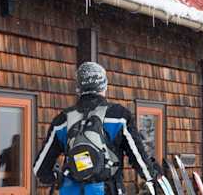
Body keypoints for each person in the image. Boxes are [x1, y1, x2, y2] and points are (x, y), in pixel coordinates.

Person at [34, 62, 162, 195]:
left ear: (79, 88)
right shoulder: (119, 116)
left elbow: (40, 169)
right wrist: (154, 174)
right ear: (104, 86)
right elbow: (140, 161)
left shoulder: (62, 120)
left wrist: (57, 177)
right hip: (107, 190)